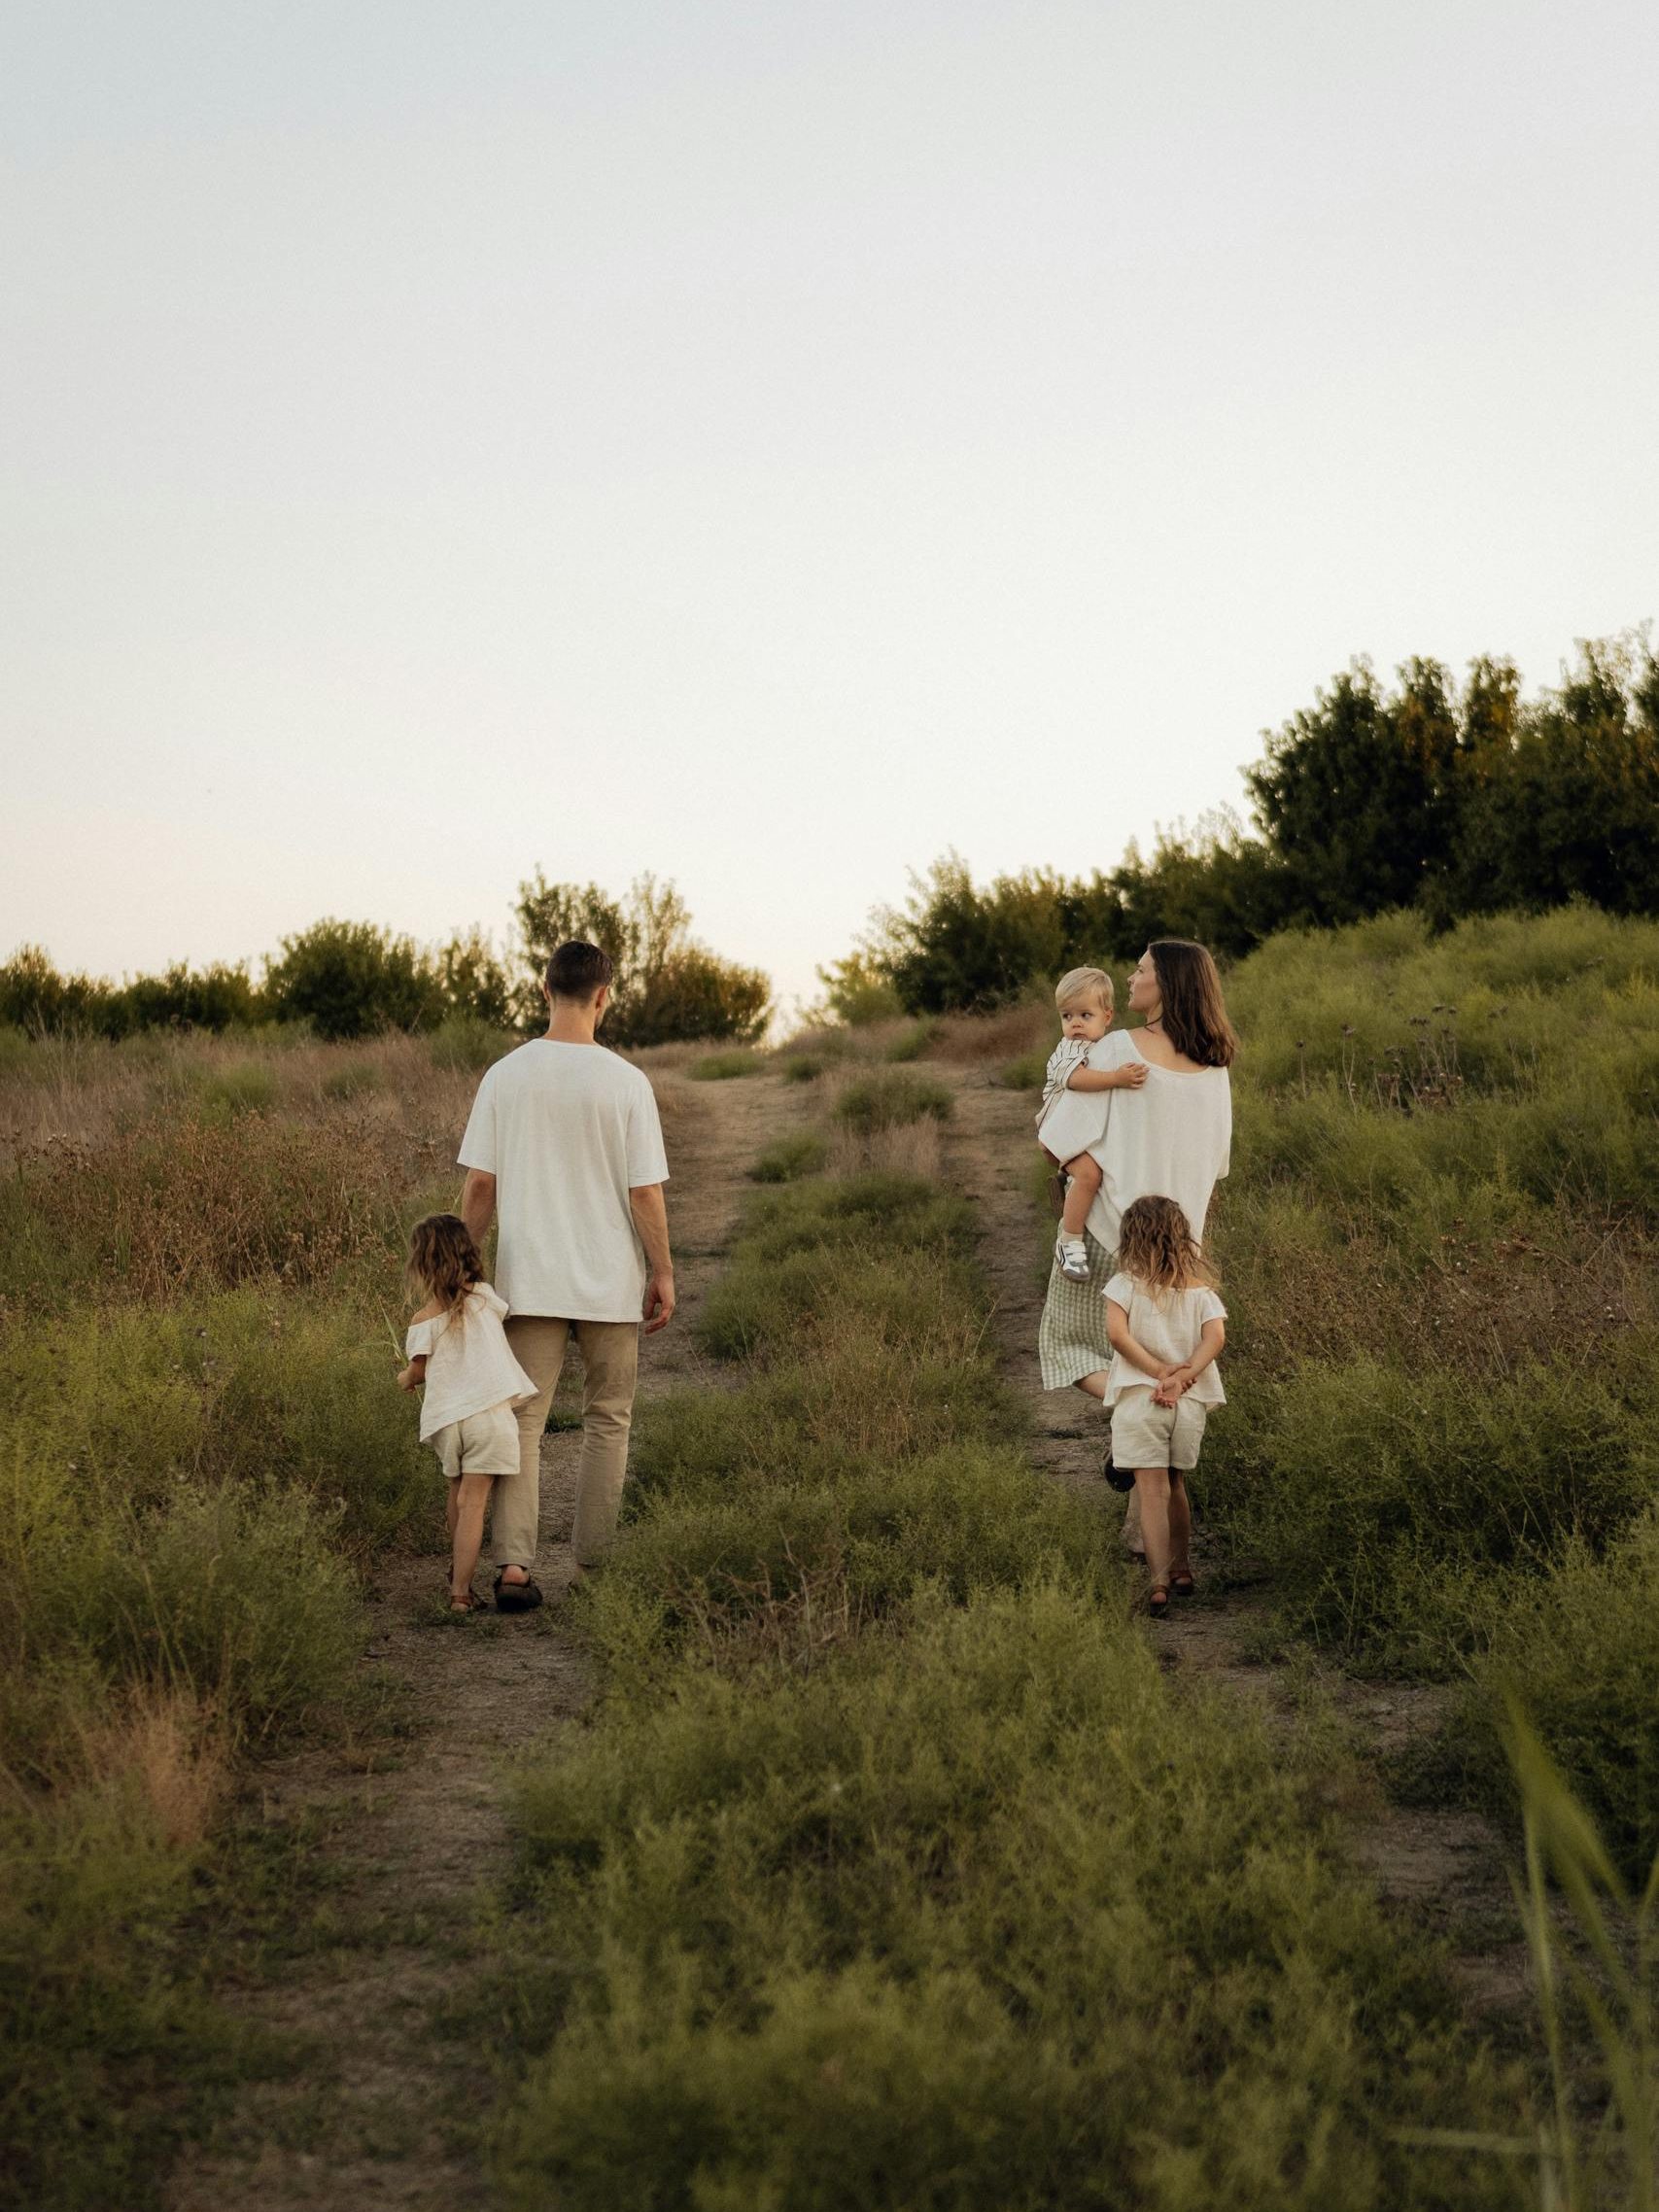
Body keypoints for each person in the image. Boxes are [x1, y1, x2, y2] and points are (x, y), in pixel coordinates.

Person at [456, 940, 674, 1611]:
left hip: (531, 1280)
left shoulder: (505, 1075)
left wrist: (460, 1268)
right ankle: (594, 1568)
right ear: (604, 996)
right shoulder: (626, 1082)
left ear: (544, 991)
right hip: (609, 1284)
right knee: (609, 1418)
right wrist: (662, 1271)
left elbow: (481, 1186)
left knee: (522, 1421)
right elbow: (644, 1194)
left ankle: (514, 1568)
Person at [1036, 939, 1235, 1553]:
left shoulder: (1115, 1050)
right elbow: (1217, 1168)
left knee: (1066, 1346)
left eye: (1143, 970)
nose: (1130, 977)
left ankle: (1141, 1403)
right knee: (1170, 1357)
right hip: (1181, 1252)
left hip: (1107, 1237)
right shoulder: (1215, 1069)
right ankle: (1157, 1416)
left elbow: (1057, 1135)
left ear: (1168, 985)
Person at [397, 1213, 536, 1613]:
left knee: (458, 1497)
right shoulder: (485, 1298)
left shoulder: (422, 1320)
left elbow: (418, 1372)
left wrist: (404, 1379)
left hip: (447, 1421)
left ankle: (459, 1581)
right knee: (475, 1503)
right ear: (467, 1254)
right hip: (487, 1416)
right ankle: (460, 1591)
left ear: (421, 1264)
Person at [1102, 1195, 1227, 1619]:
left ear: (1130, 1238)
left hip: (1142, 1400)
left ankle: (1158, 1582)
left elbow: (1117, 1336)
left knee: (1150, 1491)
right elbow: (1215, 1340)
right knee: (1176, 1486)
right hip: (1187, 1403)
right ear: (1182, 1237)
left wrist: (1158, 1373)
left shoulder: (1124, 1286)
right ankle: (1184, 1568)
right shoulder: (1202, 1293)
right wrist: (1182, 1377)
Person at [1037, 966, 1148, 1282]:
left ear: (1107, 1016)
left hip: (1080, 1132)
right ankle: (1069, 1242)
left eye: (1085, 1015)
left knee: (1098, 1174)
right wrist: (1117, 1078)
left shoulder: (1102, 1047)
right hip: (1058, 1129)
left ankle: (1067, 1192)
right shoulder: (1069, 1049)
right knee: (1089, 1175)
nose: (1075, 1024)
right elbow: (1076, 1079)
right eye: (1067, 1016)